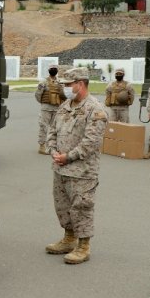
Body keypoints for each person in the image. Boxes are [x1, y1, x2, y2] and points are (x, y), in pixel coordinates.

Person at [45, 67, 107, 264]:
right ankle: (69, 238)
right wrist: (53, 151)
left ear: (80, 84)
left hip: (82, 171)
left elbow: (91, 142)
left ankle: (83, 246)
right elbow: (52, 131)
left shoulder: (95, 109)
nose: (65, 88)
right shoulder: (65, 106)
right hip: (60, 168)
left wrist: (68, 157)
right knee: (62, 206)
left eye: (69, 85)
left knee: (82, 207)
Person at [34, 63, 66, 155]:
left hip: (57, 108)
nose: (53, 70)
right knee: (43, 127)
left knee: (55, 128)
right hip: (46, 108)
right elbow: (38, 94)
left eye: (55, 68)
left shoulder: (60, 82)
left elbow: (64, 96)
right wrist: (43, 103)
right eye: (52, 68)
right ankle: (42, 146)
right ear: (49, 70)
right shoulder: (43, 82)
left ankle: (52, 146)